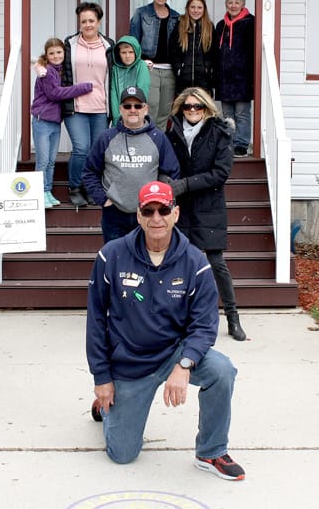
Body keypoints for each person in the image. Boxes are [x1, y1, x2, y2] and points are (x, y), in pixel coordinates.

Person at [86, 180, 245, 481]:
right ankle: (108, 407)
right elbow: (96, 320)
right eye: (149, 211)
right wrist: (102, 377)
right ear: (138, 215)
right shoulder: (111, 256)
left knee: (222, 370)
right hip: (130, 361)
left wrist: (185, 364)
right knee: (122, 454)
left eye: (164, 210)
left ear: (176, 213)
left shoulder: (195, 262)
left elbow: (205, 324)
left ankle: (211, 452)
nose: (156, 218)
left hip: (175, 352)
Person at [167, 87, 246, 341]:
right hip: (182, 207)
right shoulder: (172, 133)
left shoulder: (220, 132)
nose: (192, 110)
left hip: (209, 205)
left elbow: (220, 173)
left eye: (197, 106)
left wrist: (185, 184)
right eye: (188, 106)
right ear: (181, 109)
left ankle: (233, 317)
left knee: (216, 262)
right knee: (180, 262)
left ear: (206, 108)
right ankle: (181, 319)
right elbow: (167, 165)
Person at [82, 86, 180, 243]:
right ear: (120, 109)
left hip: (148, 213)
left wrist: (158, 202)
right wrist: (103, 199)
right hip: (114, 213)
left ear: (145, 109)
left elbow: (172, 173)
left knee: (146, 256)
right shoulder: (106, 138)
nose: (132, 110)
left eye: (137, 106)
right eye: (127, 106)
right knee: (115, 256)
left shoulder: (158, 138)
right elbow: (89, 172)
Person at [62, 2, 115, 207]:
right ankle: (75, 187)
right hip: (75, 107)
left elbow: (121, 67)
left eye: (91, 20)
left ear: (99, 21)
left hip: (101, 107)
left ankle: (91, 188)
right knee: (81, 148)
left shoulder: (109, 45)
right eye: (83, 21)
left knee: (96, 151)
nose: (87, 25)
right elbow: (56, 63)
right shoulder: (70, 44)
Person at [30, 38, 93, 208]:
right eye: (52, 53)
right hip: (42, 122)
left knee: (51, 160)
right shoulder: (46, 71)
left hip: (55, 123)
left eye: (59, 52)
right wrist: (83, 87)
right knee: (43, 161)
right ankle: (40, 193)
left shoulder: (60, 70)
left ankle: (48, 191)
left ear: (64, 53)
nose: (56, 56)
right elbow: (55, 94)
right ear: (46, 55)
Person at [129, 0, 180, 132]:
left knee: (165, 110)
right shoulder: (141, 13)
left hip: (169, 70)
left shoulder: (176, 17)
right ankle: (145, 139)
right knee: (151, 108)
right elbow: (133, 42)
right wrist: (138, 64)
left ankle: (159, 142)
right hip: (149, 68)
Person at [214, 0, 255, 158]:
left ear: (243, 3)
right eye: (230, 2)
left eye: (237, 2)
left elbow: (253, 52)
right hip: (224, 79)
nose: (233, 5)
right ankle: (229, 142)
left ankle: (241, 144)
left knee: (242, 114)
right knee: (227, 114)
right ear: (226, 3)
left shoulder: (250, 23)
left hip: (242, 78)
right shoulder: (221, 25)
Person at [169, 0, 215, 94]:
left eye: (199, 7)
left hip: (203, 81)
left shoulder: (209, 27)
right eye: (193, 7)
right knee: (184, 104)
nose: (196, 10)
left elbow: (213, 52)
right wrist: (178, 68)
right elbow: (173, 50)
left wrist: (207, 68)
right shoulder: (180, 25)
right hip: (183, 81)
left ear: (204, 9)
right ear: (187, 8)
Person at [108, 35, 151, 126]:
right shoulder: (115, 69)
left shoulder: (141, 66)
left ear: (136, 52)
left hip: (135, 114)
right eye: (123, 52)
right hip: (119, 117)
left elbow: (143, 92)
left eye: (131, 52)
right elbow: (113, 93)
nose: (128, 56)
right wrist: (117, 117)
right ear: (118, 53)